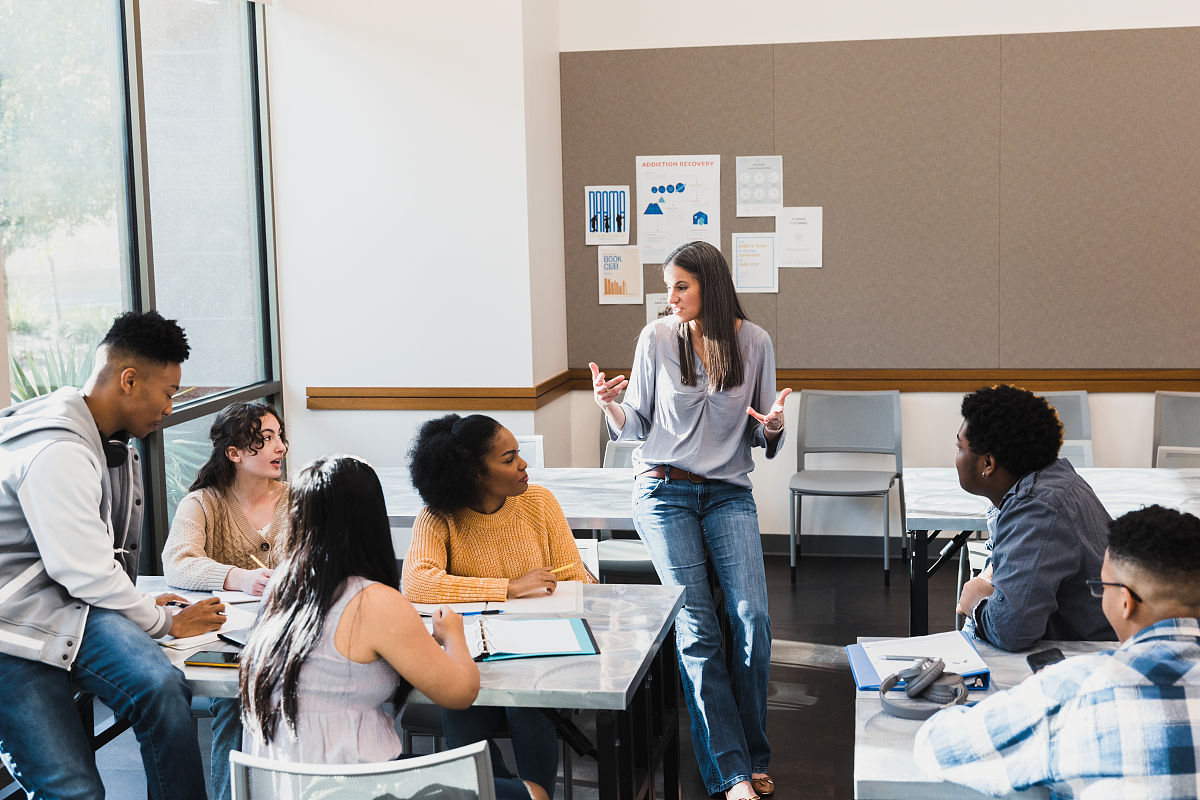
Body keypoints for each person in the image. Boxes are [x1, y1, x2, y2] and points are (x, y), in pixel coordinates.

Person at [589, 240, 789, 800]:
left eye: (682, 286)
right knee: (698, 625)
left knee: (753, 619)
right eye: (669, 286)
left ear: (711, 286)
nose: (671, 297)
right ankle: (732, 775)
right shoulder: (655, 338)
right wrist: (609, 404)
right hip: (663, 490)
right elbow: (636, 424)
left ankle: (753, 755)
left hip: (727, 491)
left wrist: (772, 429)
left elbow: (761, 429)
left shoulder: (755, 342)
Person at [0, 310, 226, 800]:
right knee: (74, 791)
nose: (170, 408)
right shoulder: (57, 450)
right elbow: (84, 571)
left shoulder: (107, 442)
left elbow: (92, 566)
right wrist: (163, 623)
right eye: (168, 393)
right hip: (11, 631)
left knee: (163, 692)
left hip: (67, 609)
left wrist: (141, 608)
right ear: (129, 380)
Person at [240, 455, 547, 800]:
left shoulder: (280, 588)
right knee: (532, 793)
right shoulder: (373, 601)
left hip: (283, 784)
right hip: (354, 786)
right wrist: (454, 637)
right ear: (370, 518)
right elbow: (461, 693)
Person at [915, 505, 1200, 797]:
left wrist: (1036, 692)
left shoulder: (1076, 689)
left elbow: (937, 746)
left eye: (1101, 586)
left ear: (1126, 602)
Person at [404, 413, 593, 798]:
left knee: (529, 704)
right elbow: (417, 582)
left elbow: (578, 581)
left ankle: (534, 793)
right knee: (462, 704)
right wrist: (509, 588)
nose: (523, 465)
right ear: (473, 473)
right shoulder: (439, 517)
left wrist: (577, 586)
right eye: (508, 459)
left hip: (536, 655)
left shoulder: (539, 502)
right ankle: (515, 790)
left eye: (518, 454)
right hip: (472, 658)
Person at [161, 400, 289, 800]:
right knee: (236, 706)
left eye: (280, 437)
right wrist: (238, 576)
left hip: (291, 635)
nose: (280, 447)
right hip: (229, 644)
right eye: (265, 439)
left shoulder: (298, 499)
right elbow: (177, 562)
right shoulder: (203, 503)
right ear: (233, 454)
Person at [953, 385, 1114, 651]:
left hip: (1088, 655)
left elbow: (1011, 632)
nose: (957, 457)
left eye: (960, 447)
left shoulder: (1037, 509)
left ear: (988, 464)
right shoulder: (1052, 480)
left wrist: (974, 600)